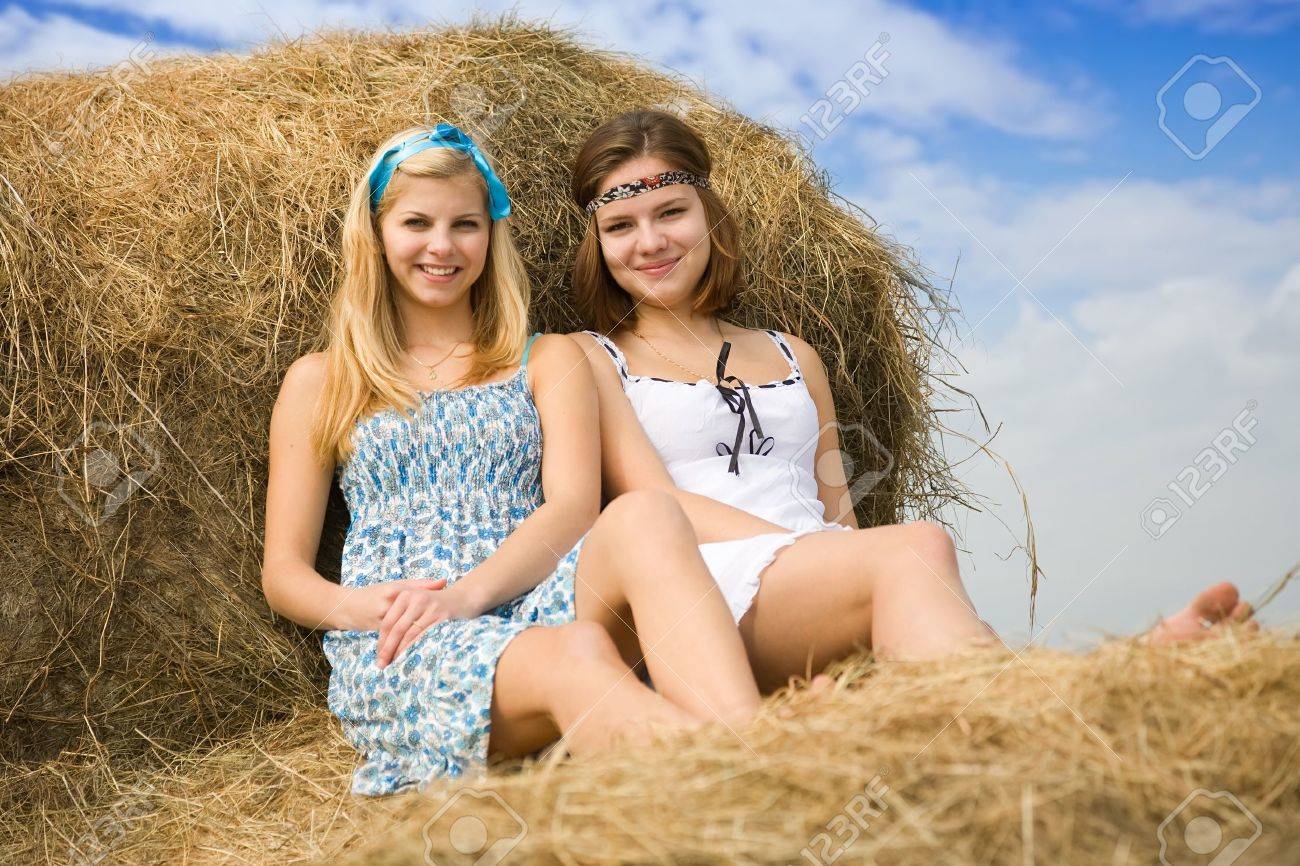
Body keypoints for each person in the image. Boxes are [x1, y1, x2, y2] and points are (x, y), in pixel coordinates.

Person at [566, 109, 1259, 695]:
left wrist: (845, 557)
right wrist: (825, 553)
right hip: (705, 592)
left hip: (825, 574)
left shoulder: (792, 355)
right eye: (621, 225)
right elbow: (660, 503)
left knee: (928, 599)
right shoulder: (596, 359)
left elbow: (837, 504)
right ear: (596, 243)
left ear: (709, 215)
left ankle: (1105, 680)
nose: (650, 242)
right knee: (917, 549)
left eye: (671, 212)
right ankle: (1116, 676)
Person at [260, 123, 770, 796]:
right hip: (411, 635)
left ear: (490, 236)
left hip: (534, 592)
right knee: (576, 654)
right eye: (417, 223)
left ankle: (755, 741)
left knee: (647, 513)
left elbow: (573, 508)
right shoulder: (323, 380)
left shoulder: (545, 359)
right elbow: (283, 572)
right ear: (377, 235)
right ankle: (757, 780)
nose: (442, 246)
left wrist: (470, 595)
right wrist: (363, 609)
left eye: (465, 225)